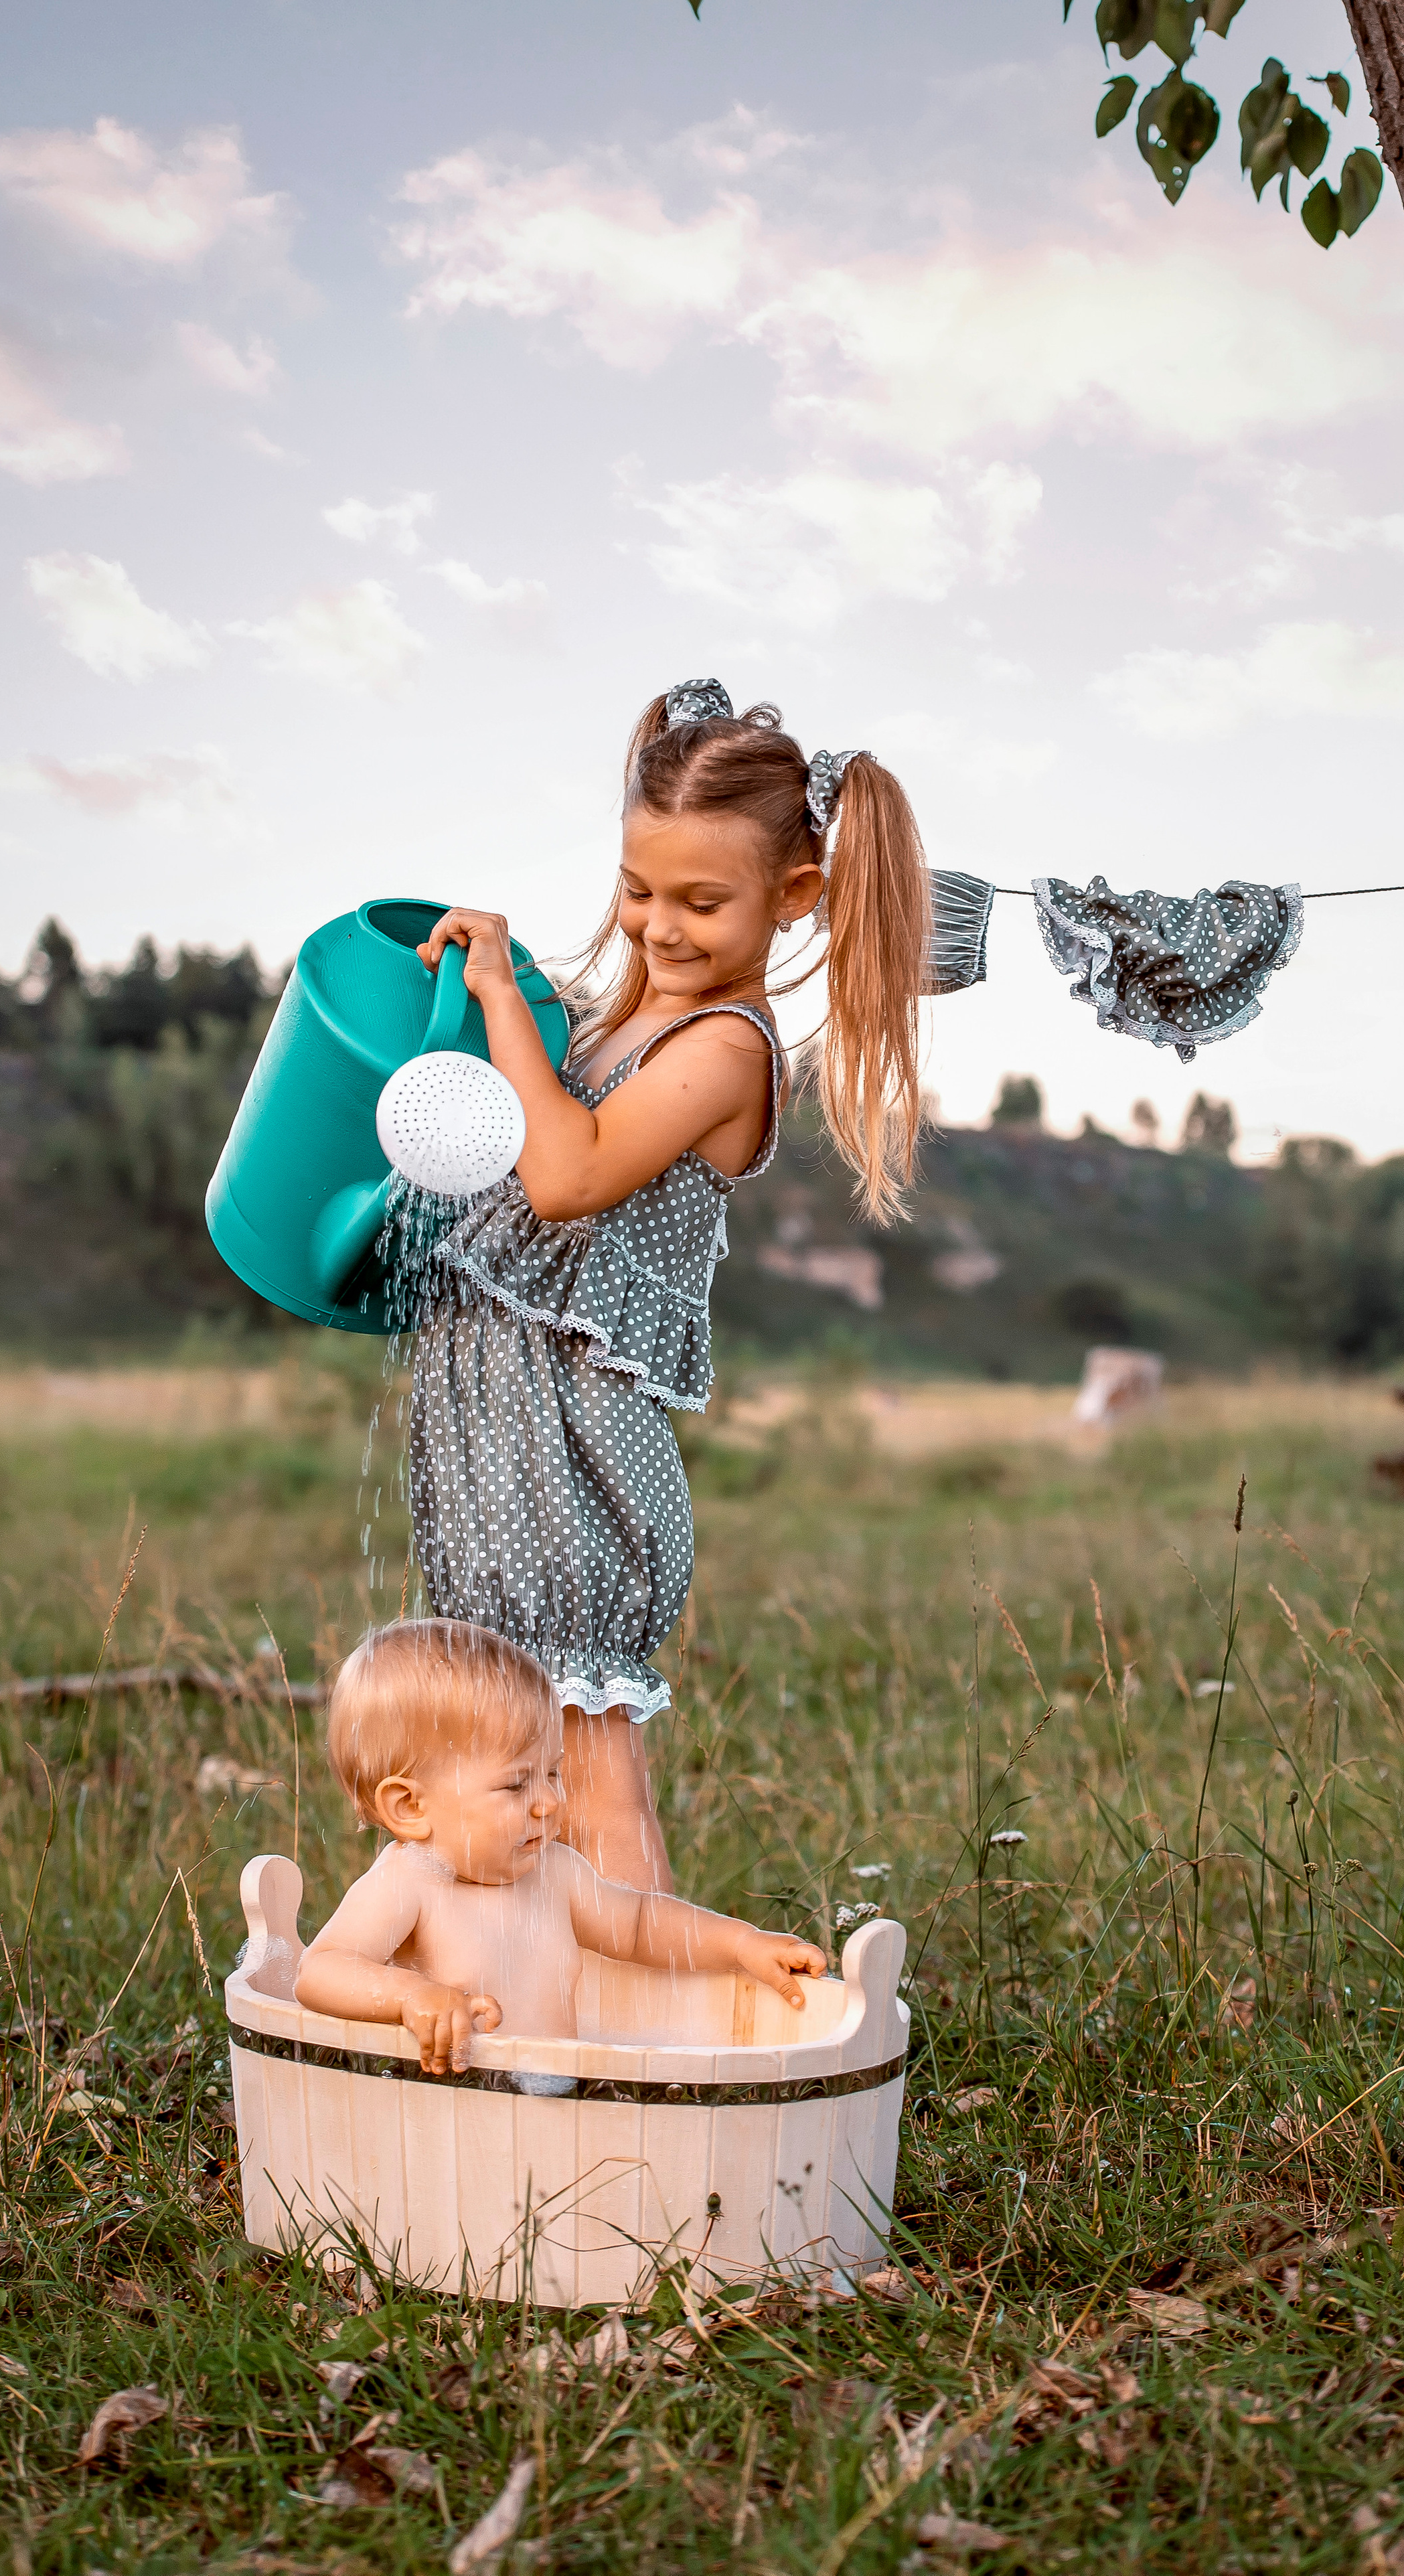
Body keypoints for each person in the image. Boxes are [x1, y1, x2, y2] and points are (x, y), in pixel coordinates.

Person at [406, 679, 932, 1891]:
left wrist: (501, 1005)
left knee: (589, 1785)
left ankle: (646, 2029)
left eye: (704, 900)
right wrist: (495, 1001)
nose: (660, 925)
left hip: (578, 1472)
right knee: (498, 1769)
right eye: (640, 891)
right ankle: (540, 1998)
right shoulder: (613, 1030)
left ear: (794, 897)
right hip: (504, 1455)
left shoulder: (725, 1049)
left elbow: (566, 1176)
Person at [293, 1618, 827, 2074]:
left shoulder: (556, 1874)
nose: (549, 1801)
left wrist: (741, 1944)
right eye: (515, 1784)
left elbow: (641, 1924)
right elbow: (321, 1971)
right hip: (459, 2119)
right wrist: (410, 1997)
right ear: (410, 1807)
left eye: (553, 1772)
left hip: (559, 2103)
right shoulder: (412, 1883)